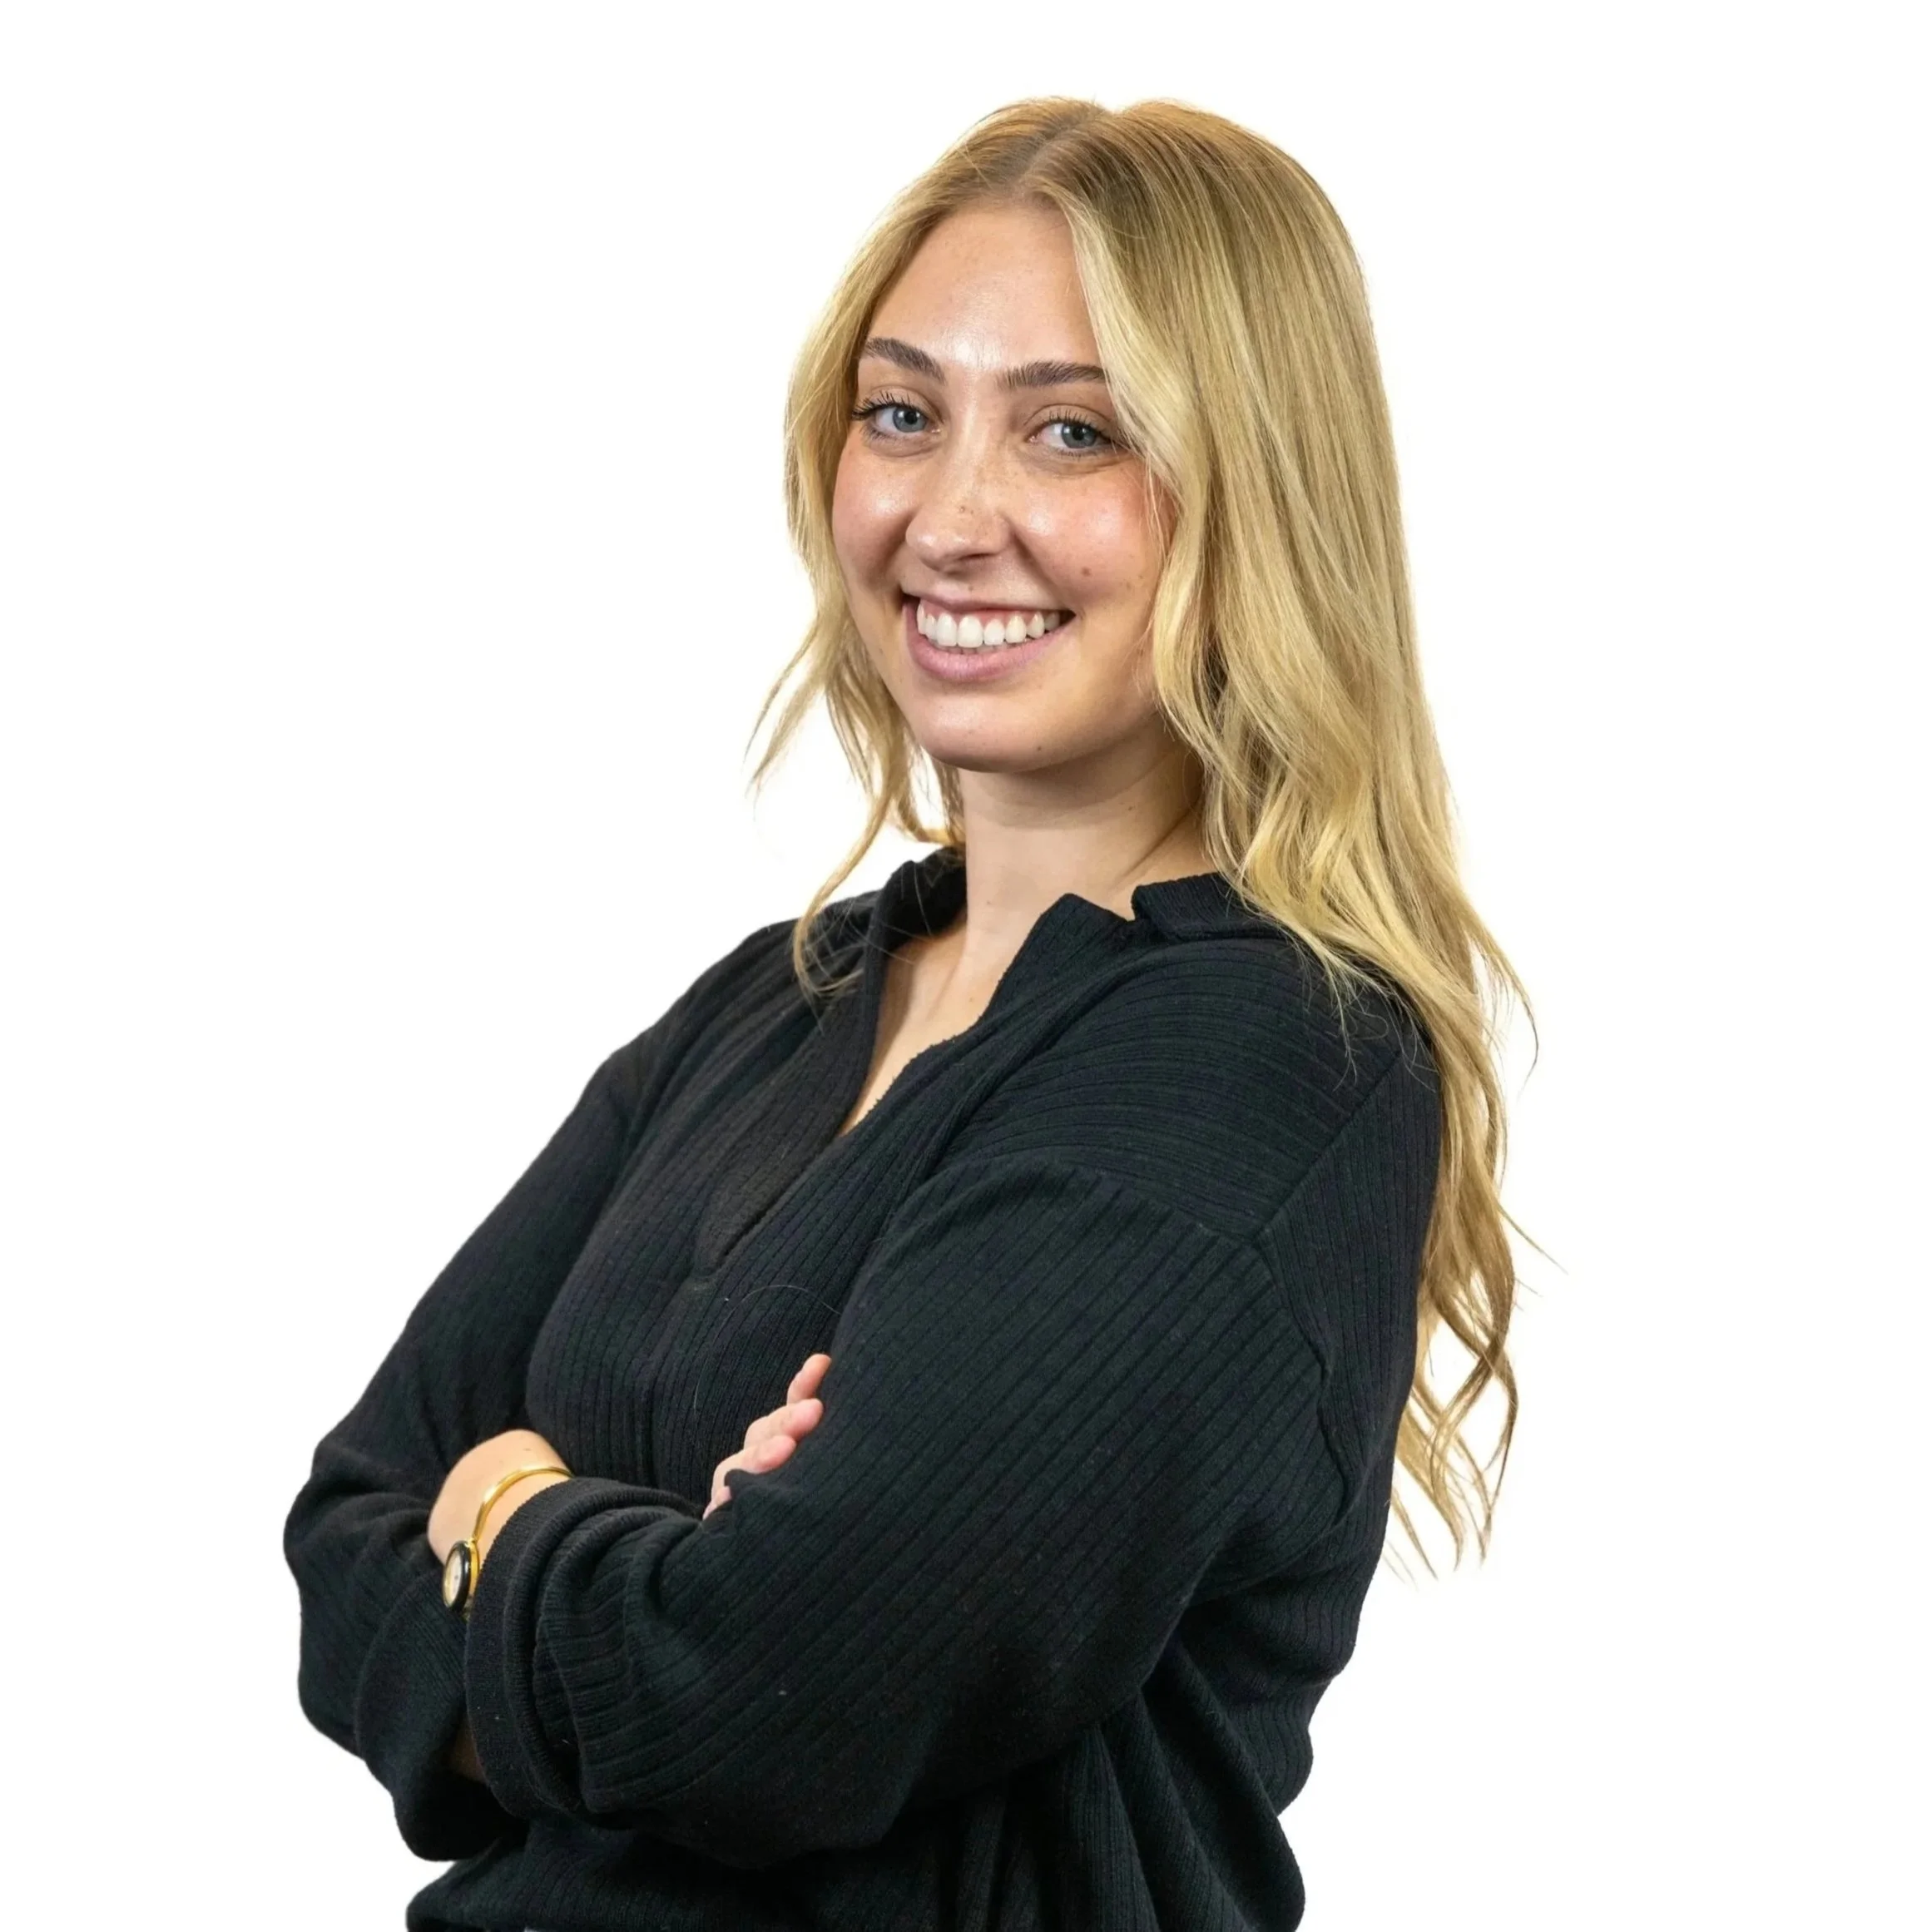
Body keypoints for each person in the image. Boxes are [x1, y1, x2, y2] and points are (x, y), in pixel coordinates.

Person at [284, 94, 1526, 1932]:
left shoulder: (1265, 1057)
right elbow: (343, 1534)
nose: (952, 518)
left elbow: (757, 1704)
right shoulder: (772, 1008)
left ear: (1258, 492)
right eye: (900, 412)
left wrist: (512, 1518)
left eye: (1073, 431)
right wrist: (651, 1566)